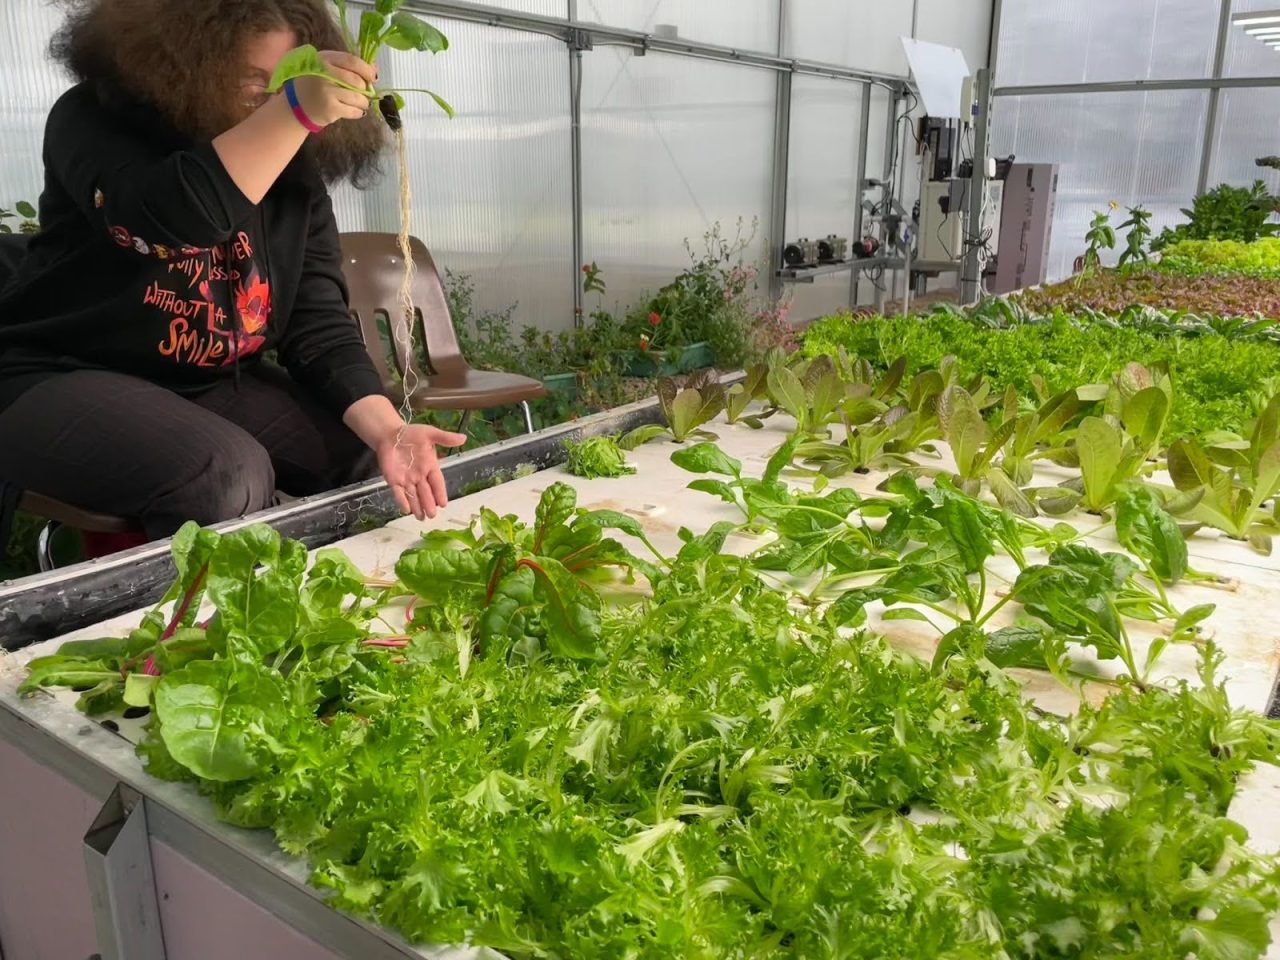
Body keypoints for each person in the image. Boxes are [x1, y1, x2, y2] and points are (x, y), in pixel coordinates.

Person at [0, 0, 465, 542]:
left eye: (290, 81)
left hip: (202, 382)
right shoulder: (95, 118)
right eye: (252, 81)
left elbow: (317, 326)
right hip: (56, 373)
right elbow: (166, 217)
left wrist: (389, 428)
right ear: (187, 61)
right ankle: (177, 622)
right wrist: (293, 115)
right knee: (223, 473)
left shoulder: (295, 175)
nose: (271, 100)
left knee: (367, 456)